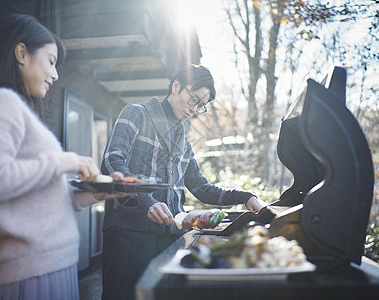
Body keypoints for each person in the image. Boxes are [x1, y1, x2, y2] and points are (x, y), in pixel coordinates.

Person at [0, 14, 124, 300]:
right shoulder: (0, 102)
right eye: (51, 61)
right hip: (34, 270)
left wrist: (92, 195)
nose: (55, 75)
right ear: (21, 53)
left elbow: (38, 196)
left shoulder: (18, 109)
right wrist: (67, 161)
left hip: (52, 264)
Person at [100, 64, 265, 300]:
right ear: (176, 86)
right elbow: (112, 161)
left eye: (200, 106)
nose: (194, 109)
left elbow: (202, 189)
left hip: (168, 239)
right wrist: (147, 201)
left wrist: (245, 196)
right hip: (129, 235)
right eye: (193, 99)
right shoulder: (136, 113)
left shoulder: (183, 141)